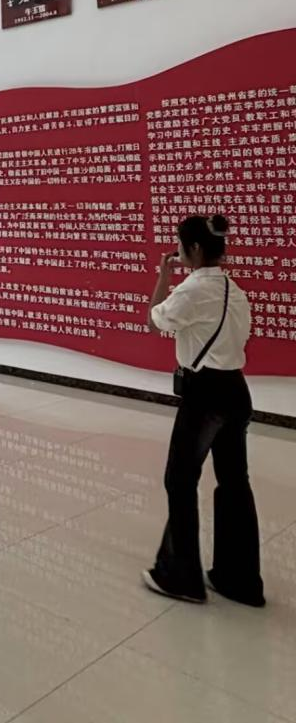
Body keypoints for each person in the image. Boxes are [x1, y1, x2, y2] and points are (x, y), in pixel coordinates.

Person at [144, 214, 264, 608]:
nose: (178, 251)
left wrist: (163, 276)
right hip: (236, 392)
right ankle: (239, 579)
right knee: (234, 483)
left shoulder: (192, 290)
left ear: (193, 248)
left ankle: (181, 576)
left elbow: (154, 320)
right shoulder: (234, 290)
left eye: (181, 245)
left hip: (205, 395)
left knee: (180, 480)